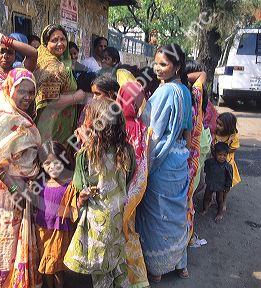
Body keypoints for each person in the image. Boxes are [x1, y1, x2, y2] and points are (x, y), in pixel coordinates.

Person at [0, 68, 42, 287]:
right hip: (8, 191)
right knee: (6, 240)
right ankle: (2, 283)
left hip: (25, 188)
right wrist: (17, 190)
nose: (27, 97)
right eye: (22, 91)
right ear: (9, 89)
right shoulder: (2, 118)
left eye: (31, 92)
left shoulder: (22, 117)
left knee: (20, 238)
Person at [63, 97, 135, 288]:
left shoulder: (85, 155)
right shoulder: (127, 151)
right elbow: (129, 176)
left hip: (96, 221)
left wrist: (83, 146)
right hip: (118, 214)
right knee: (115, 259)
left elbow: (79, 184)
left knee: (99, 269)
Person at [136, 44, 192, 282]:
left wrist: (144, 165)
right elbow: (188, 131)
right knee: (176, 214)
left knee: (156, 214)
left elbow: (154, 133)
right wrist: (184, 153)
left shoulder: (165, 93)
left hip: (161, 160)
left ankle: (157, 268)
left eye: (163, 64)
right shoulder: (185, 91)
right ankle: (180, 263)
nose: (157, 69)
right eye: (156, 63)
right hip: (179, 159)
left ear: (177, 66)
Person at [117, 82, 150, 288]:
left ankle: (120, 276)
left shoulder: (116, 126)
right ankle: (134, 277)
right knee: (129, 230)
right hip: (135, 189)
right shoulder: (141, 126)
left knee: (119, 231)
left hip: (119, 189)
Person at [33, 24, 86, 147]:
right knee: (52, 159)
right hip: (52, 126)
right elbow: (51, 101)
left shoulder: (60, 62)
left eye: (62, 39)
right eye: (54, 40)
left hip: (60, 124)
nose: (60, 43)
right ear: (45, 44)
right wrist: (76, 97)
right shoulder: (51, 65)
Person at [35, 141, 74, 288]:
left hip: (60, 230)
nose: (52, 167)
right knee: (46, 265)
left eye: (56, 162)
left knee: (57, 267)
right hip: (42, 229)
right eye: (47, 163)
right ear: (42, 165)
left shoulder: (69, 184)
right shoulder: (40, 183)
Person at [0, 29, 38, 122]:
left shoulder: (20, 74)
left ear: (15, 56)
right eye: (2, 51)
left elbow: (33, 53)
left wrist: (4, 39)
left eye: (10, 52)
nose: (5, 56)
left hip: (18, 127)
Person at [185, 60, 207, 240]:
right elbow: (202, 75)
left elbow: (202, 75)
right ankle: (187, 237)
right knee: (187, 199)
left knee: (183, 201)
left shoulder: (191, 97)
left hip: (184, 158)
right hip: (192, 157)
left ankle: (185, 238)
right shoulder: (197, 96)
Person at [202, 142, 233, 222]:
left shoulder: (227, 166)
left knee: (220, 200)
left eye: (224, 155)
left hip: (221, 186)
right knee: (206, 197)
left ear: (227, 155)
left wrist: (227, 187)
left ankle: (220, 213)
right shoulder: (209, 162)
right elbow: (205, 169)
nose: (222, 157)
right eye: (220, 155)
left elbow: (229, 178)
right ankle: (205, 209)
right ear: (215, 153)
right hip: (210, 184)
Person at [214, 112, 241, 187]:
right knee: (214, 181)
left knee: (226, 184)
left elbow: (234, 148)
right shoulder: (216, 132)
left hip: (227, 163)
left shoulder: (233, 137)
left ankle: (222, 198)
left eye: (220, 125)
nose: (217, 126)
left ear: (228, 127)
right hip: (215, 161)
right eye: (217, 123)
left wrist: (221, 150)